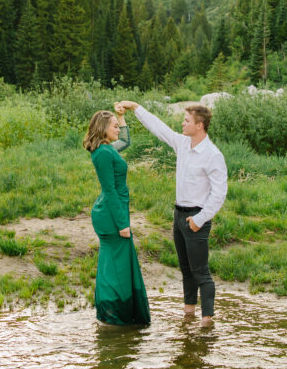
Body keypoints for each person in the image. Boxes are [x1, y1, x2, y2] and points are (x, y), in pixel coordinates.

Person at [118, 101, 226, 326]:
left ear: (200, 125)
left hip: (197, 217)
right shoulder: (182, 143)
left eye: (187, 121)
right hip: (179, 215)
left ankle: (207, 323)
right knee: (186, 269)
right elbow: (159, 128)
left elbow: (218, 195)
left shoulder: (213, 155)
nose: (182, 123)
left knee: (201, 273)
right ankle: (188, 315)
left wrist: (199, 220)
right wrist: (136, 108)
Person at [84, 108, 150, 326]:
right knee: (115, 267)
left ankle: (117, 313)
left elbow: (126, 141)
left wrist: (121, 117)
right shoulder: (103, 153)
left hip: (115, 212)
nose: (117, 130)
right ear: (103, 128)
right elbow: (110, 190)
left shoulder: (108, 148)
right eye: (114, 126)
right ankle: (113, 313)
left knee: (117, 265)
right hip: (111, 217)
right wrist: (123, 224)